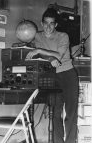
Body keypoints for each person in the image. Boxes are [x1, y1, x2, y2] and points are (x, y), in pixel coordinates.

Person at [26, 8, 79, 143]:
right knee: (55, 114)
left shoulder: (63, 36)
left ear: (56, 25)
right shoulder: (37, 36)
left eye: (52, 23)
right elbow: (43, 56)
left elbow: (58, 56)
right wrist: (47, 58)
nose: (48, 27)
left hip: (68, 75)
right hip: (52, 76)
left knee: (71, 113)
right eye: (46, 23)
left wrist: (38, 50)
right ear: (42, 23)